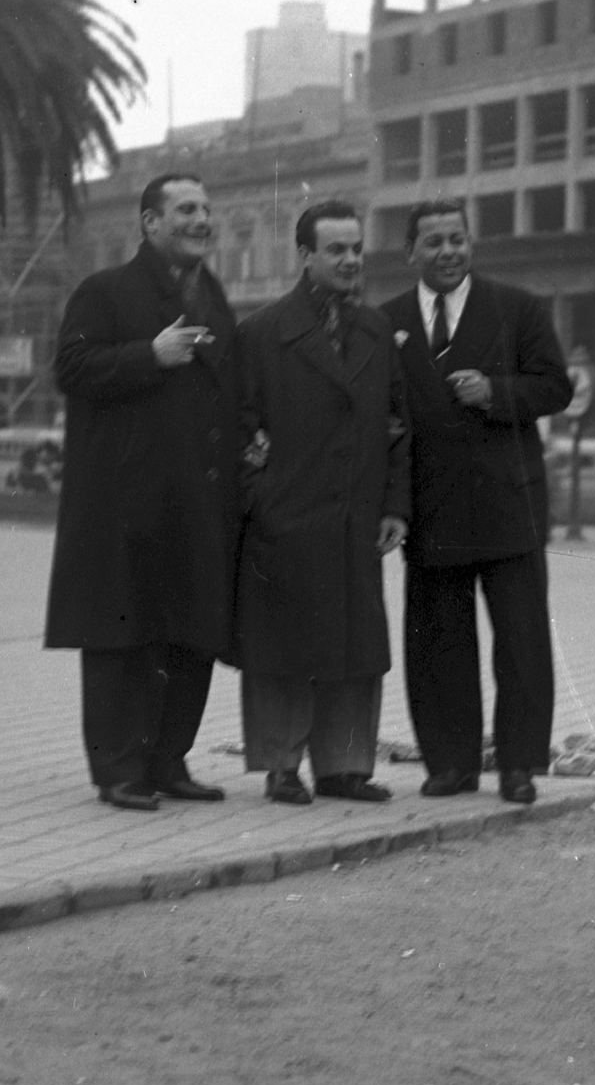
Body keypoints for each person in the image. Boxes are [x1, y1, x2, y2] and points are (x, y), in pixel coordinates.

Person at [44, 174, 240, 812]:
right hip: (124, 504)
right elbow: (70, 369)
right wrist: (147, 355)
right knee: (120, 639)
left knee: (189, 637)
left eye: (206, 209)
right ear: (149, 223)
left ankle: (168, 759)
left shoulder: (214, 296)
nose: (201, 219)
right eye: (186, 208)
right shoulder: (104, 292)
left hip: (196, 503)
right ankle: (119, 770)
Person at [382, 199, 573, 804]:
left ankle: (518, 766)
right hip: (432, 507)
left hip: (508, 506)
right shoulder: (385, 321)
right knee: (438, 643)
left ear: (472, 244)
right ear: (411, 251)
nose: (448, 252)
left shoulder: (518, 309)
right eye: (434, 242)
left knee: (519, 644)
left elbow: (556, 388)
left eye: (458, 240)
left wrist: (496, 391)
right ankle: (450, 765)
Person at [234, 201, 410, 805]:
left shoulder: (377, 331)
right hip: (288, 516)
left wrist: (394, 505)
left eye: (357, 249)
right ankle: (281, 766)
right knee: (282, 645)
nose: (351, 260)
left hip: (356, 516)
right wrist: (262, 500)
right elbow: (237, 427)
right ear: (305, 256)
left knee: (355, 645)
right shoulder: (261, 333)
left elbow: (395, 425)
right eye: (336, 250)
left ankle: (344, 767)